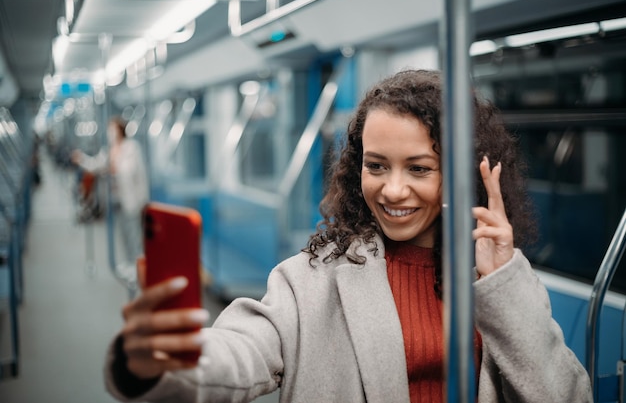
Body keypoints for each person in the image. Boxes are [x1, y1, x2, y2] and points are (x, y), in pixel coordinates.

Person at [104, 69, 592, 402]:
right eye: (375, 165)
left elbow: (565, 394)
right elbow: (240, 352)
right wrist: (158, 363)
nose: (392, 189)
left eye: (419, 169)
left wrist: (501, 280)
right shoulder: (310, 281)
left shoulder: (501, 282)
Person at [73, 116, 149, 281]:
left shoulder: (132, 148)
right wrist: (82, 159)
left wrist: (113, 164)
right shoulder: (109, 150)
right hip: (116, 199)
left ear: (120, 130)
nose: (110, 133)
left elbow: (132, 172)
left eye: (112, 129)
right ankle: (129, 264)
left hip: (132, 199)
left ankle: (138, 267)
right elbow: (95, 166)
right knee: (122, 232)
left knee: (133, 235)